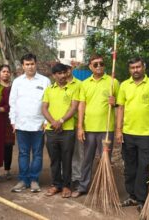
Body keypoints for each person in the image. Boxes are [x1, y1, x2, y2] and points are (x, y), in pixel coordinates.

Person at [116, 57, 149, 210]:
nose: (136, 70)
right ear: (129, 70)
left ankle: (142, 199)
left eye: (138, 67)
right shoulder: (124, 85)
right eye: (132, 68)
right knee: (129, 166)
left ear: (143, 67)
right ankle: (131, 196)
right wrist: (118, 130)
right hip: (128, 132)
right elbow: (120, 108)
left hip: (145, 134)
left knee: (143, 167)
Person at [71, 54, 119, 198]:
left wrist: (114, 102)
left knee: (105, 159)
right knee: (87, 159)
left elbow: (120, 103)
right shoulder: (84, 84)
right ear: (90, 67)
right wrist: (80, 127)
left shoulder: (113, 82)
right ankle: (83, 186)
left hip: (106, 129)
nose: (99, 66)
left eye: (101, 63)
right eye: (95, 64)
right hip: (89, 129)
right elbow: (81, 106)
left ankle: (105, 188)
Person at [9, 53, 51, 193]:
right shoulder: (17, 82)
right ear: (22, 66)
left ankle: (34, 180)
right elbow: (12, 103)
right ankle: (23, 180)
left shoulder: (45, 81)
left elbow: (48, 103)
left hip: (39, 124)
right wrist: (13, 121)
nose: (30, 66)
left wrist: (46, 121)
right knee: (23, 153)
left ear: (36, 64)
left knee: (38, 154)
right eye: (27, 64)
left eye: (32, 63)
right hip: (21, 124)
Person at [42, 63, 79, 198]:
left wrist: (61, 121)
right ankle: (56, 185)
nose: (63, 75)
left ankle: (66, 186)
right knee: (54, 159)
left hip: (67, 130)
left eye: (64, 73)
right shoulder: (49, 89)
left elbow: (73, 107)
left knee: (67, 159)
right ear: (54, 75)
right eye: (59, 73)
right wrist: (53, 122)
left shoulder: (73, 88)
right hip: (51, 130)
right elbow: (44, 108)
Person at [60, 59, 83, 189]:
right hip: (61, 125)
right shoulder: (57, 85)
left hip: (75, 123)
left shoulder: (80, 84)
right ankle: (65, 177)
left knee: (78, 152)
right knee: (64, 152)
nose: (65, 72)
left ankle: (77, 178)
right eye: (62, 69)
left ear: (71, 69)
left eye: (67, 68)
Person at [0, 64, 15, 180]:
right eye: (3, 71)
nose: (6, 73)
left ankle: (7, 169)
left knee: (8, 145)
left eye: (7, 71)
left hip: (10, 119)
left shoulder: (14, 86)